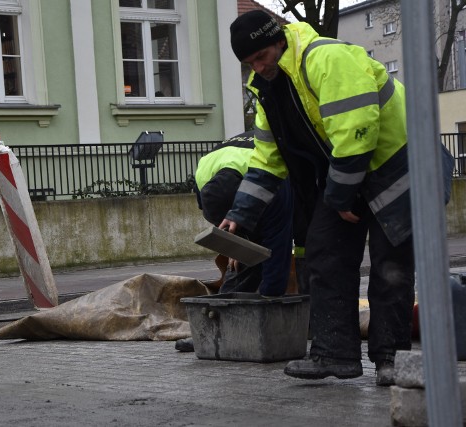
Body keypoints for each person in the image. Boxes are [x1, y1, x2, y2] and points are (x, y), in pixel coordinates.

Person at [224, 10, 424, 386]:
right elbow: (268, 158)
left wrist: (342, 196)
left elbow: (356, 131)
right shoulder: (268, 89)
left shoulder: (327, 58)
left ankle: (391, 360)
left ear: (279, 40)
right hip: (349, 168)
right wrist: (240, 213)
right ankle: (335, 355)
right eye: (249, 63)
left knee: (390, 264)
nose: (258, 67)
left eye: (261, 57)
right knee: (324, 250)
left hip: (399, 163)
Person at [175, 130, 295, 352]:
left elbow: (279, 246)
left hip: (295, 181)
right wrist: (235, 244)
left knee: (286, 255)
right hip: (249, 180)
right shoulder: (203, 176)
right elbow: (213, 212)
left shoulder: (270, 182)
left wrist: (269, 303)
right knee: (241, 260)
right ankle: (214, 330)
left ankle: (298, 324)